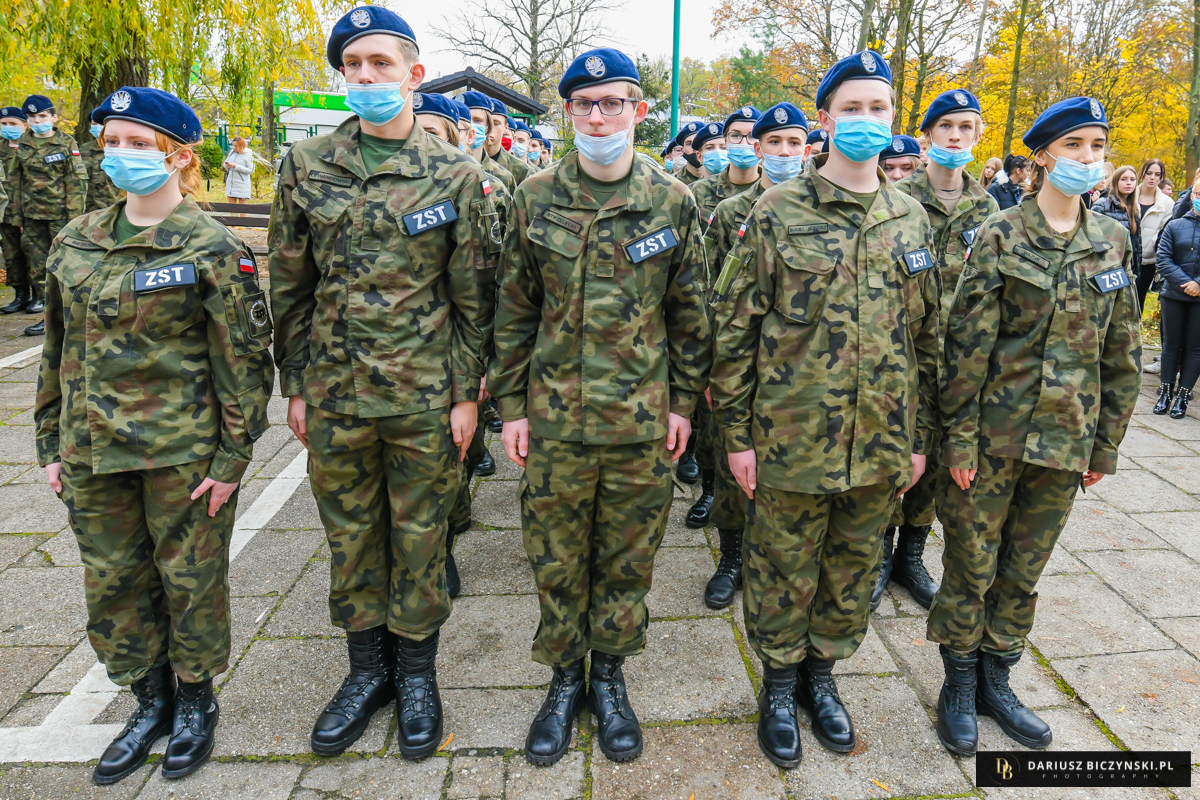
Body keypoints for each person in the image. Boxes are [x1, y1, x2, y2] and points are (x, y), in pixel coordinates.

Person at [268, 6, 499, 760]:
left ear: (413, 74)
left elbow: (473, 298)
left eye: (380, 64)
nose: (365, 76)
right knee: (351, 538)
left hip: (424, 397)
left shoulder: (455, 175)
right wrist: (295, 384)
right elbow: (290, 286)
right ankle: (367, 671)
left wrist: (466, 394)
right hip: (335, 395)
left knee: (422, 536)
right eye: (353, 65)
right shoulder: (307, 166)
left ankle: (418, 674)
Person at [36, 87, 273, 784]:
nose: (121, 154)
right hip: (90, 450)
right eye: (112, 142)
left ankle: (195, 700)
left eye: (139, 144)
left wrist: (233, 458)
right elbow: (55, 351)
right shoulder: (74, 240)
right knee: (114, 583)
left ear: (179, 157)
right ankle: (149, 702)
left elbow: (244, 363)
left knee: (189, 580)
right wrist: (50, 443)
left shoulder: (213, 247)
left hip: (182, 454)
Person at [710, 51, 939, 769]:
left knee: (851, 570)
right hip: (791, 440)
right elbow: (734, 332)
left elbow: (927, 342)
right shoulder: (776, 212)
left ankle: (822, 676)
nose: (866, 119)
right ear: (826, 119)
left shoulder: (911, 218)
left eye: (878, 108)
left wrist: (920, 438)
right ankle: (779, 688)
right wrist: (737, 438)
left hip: (880, 443)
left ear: (893, 117)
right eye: (852, 108)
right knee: (782, 569)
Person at [489, 47, 710, 767]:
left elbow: (691, 315)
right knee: (555, 557)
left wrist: (683, 403)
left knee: (626, 558)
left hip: (642, 423)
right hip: (554, 421)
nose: (598, 116)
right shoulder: (534, 196)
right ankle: (563, 680)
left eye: (613, 102)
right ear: (568, 113)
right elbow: (514, 312)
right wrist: (512, 407)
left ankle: (609, 678)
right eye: (584, 104)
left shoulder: (672, 200)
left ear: (638, 112)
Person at [930, 97, 1141, 757]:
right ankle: (959, 684)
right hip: (992, 441)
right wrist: (957, 439)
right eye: (1074, 145)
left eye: (1097, 146)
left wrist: (1105, 444)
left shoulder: (1112, 240)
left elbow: (1122, 352)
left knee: (1023, 570)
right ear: (1044, 155)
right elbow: (965, 347)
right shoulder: (1000, 233)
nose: (1088, 158)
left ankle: (998, 678)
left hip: (1065, 441)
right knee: (972, 564)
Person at [872, 89, 999, 613]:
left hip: (961, 358)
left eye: (966, 127)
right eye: (946, 126)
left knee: (941, 458)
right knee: (898, 452)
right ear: (927, 136)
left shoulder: (988, 208)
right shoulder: (898, 198)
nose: (955, 136)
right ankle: (879, 555)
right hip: (907, 353)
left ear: (977, 136)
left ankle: (912, 555)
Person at [701, 101, 808, 612]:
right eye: (774, 143)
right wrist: (712, 368)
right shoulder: (732, 212)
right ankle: (731, 557)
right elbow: (712, 292)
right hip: (744, 360)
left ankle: (779, 560)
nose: (784, 152)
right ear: (759, 150)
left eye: (794, 143)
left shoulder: (815, 207)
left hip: (799, 368)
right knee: (732, 466)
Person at [415, 91, 508, 597]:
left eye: (433, 131)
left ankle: (446, 536)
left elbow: (493, 284)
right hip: (402, 359)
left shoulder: (489, 186)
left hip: (456, 352)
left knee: (450, 460)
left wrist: (488, 364)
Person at [684, 107, 762, 529]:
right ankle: (711, 489)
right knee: (715, 422)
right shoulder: (702, 194)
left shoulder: (787, 197)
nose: (743, 143)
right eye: (735, 136)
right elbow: (700, 274)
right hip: (722, 325)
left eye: (752, 135)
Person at [9, 94, 88, 337]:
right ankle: (49, 318)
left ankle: (75, 313)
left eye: (42, 116)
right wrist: (17, 217)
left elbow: (76, 181)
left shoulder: (66, 143)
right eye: (32, 117)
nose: (37, 120)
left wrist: (74, 219)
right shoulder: (23, 144)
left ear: (53, 117)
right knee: (38, 268)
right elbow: (15, 182)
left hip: (60, 217)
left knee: (65, 265)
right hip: (32, 218)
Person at [1152, 174, 1200, 418]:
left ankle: (1183, 395)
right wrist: (1186, 283)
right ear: (1192, 195)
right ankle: (1165, 391)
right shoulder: (1175, 225)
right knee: (1170, 346)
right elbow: (1163, 258)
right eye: (1199, 194)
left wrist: (1198, 284)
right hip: (1173, 295)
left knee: (1194, 348)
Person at [1135, 159, 1174, 312]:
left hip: (1148, 260)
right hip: (1123, 257)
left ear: (1161, 177)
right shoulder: (1128, 195)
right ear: (1142, 174)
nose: (1152, 177)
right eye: (1149, 173)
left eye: (1157, 174)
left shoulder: (1168, 203)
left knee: (1139, 298)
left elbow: (1165, 233)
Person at [0, 106, 27, 315]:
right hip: (5, 212)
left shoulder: (30, 148)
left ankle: (39, 296)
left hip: (30, 212)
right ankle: (20, 295)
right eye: (3, 124)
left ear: (24, 125)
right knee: (11, 256)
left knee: (34, 256)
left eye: (13, 123)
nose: (8, 127)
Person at [1092, 165, 1142, 279]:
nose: (1129, 183)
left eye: (1132, 179)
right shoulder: (1102, 204)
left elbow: (1137, 243)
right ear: (1115, 182)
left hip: (1127, 266)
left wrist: (1136, 270)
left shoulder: (1134, 208)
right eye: (1123, 179)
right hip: (1105, 266)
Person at [461, 91, 516, 194]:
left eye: (477, 120)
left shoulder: (504, 177)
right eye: (465, 119)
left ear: (488, 127)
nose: (471, 126)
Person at [79, 107, 122, 212]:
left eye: (101, 124)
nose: (98, 127)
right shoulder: (83, 149)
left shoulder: (120, 150)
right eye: (94, 124)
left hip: (114, 207)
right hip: (87, 209)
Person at [489, 101, 531, 185]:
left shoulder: (521, 169)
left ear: (506, 128)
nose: (490, 128)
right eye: (486, 122)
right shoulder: (467, 161)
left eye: (496, 124)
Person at [673, 120, 706, 185]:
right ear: (682, 150)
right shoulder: (672, 182)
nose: (694, 148)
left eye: (699, 142)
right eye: (689, 144)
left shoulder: (720, 180)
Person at [223, 137, 254, 203]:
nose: (234, 148)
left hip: (242, 185)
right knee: (231, 207)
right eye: (233, 145)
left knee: (242, 208)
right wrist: (227, 165)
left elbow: (250, 170)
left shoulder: (247, 154)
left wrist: (236, 166)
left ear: (241, 145)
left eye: (236, 146)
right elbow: (226, 162)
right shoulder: (232, 152)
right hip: (231, 185)